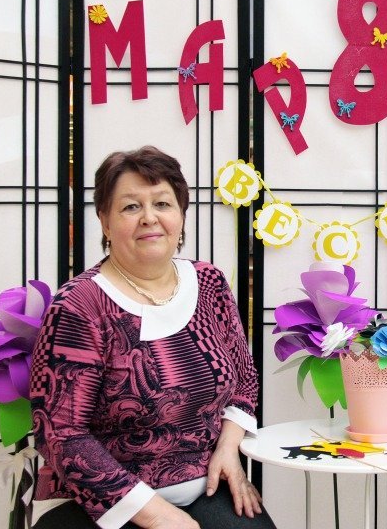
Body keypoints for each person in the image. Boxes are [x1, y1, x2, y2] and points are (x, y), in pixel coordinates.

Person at [29, 146, 276, 529]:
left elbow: (244, 380)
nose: (149, 217)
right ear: (105, 221)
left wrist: (229, 450)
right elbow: (61, 433)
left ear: (181, 215)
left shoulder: (209, 282)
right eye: (130, 207)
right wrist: (161, 517)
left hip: (207, 487)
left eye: (162, 203)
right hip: (106, 505)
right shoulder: (80, 305)